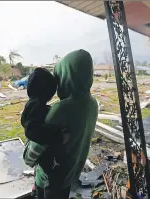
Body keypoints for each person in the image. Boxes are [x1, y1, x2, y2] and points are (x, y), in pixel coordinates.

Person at [23, 49, 98, 199]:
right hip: (71, 172)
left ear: (66, 76)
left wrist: (27, 155)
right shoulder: (92, 103)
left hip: (49, 179)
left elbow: (32, 153)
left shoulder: (62, 109)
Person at [21, 67, 67, 197]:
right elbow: (31, 131)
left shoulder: (33, 103)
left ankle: (36, 188)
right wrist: (55, 135)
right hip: (46, 154)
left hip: (41, 155)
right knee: (51, 177)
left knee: (42, 172)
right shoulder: (37, 106)